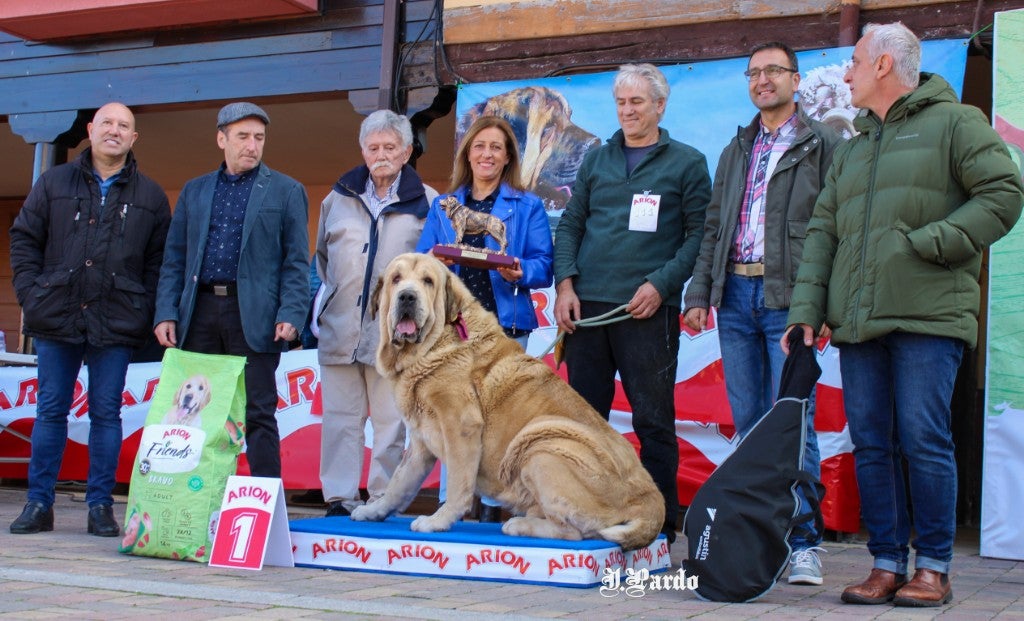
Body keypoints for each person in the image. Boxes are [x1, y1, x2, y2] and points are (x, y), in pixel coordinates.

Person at [783, 23, 1023, 607]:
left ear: (885, 65)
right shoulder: (855, 147)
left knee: (923, 438)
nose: (847, 73)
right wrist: (807, 309)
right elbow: (822, 232)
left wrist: (932, 242)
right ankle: (887, 563)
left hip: (928, 317)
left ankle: (934, 568)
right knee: (871, 442)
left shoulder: (956, 122)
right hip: (860, 321)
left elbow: (1004, 191)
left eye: (856, 62)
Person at [683, 42, 843, 584]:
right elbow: (713, 229)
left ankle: (803, 544)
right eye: (753, 72)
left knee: (794, 423)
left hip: (788, 302)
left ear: (796, 81)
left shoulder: (824, 144)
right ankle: (760, 543)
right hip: (734, 301)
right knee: (750, 425)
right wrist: (699, 293)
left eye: (774, 70)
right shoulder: (737, 147)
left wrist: (818, 303)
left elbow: (837, 230)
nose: (762, 80)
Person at [553, 63, 711, 542]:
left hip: (648, 311)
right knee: (585, 423)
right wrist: (565, 285)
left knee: (653, 420)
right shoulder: (597, 160)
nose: (627, 111)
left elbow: (700, 235)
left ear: (660, 106)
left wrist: (662, 285)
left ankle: (659, 528)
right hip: (588, 311)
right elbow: (571, 225)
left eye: (637, 102)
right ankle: (588, 517)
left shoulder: (687, 162)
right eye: (622, 102)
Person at [9, 102, 171, 536]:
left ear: (134, 138)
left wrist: (144, 306)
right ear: (91, 130)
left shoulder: (151, 196)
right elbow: (24, 239)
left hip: (115, 320)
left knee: (106, 414)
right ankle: (38, 503)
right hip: (56, 315)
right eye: (107, 124)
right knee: (51, 412)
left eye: (124, 126)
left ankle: (100, 507)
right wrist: (30, 293)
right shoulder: (53, 182)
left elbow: (160, 263)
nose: (114, 131)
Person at [154, 102, 309, 479]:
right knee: (195, 414)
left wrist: (291, 313)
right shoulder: (195, 191)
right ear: (221, 138)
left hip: (254, 315)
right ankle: (193, 502)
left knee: (258, 412)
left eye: (259, 137)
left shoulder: (287, 191)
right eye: (243, 137)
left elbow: (296, 261)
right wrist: (166, 312)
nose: (252, 146)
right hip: (200, 312)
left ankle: (266, 508)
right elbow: (174, 258)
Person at [417, 115, 553, 522]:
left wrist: (520, 272)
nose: (487, 154)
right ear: (468, 154)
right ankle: (452, 503)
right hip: (452, 331)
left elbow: (544, 265)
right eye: (479, 146)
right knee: (452, 419)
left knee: (499, 420)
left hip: (505, 327)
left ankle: (496, 508)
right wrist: (433, 261)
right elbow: (422, 257)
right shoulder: (444, 206)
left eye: (496, 147)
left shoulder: (527, 205)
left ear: (508, 155)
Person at [316, 110, 436, 517]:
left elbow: (435, 269)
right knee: (340, 419)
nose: (381, 154)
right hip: (339, 329)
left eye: (390, 147)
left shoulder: (428, 202)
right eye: (373, 147)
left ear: (406, 152)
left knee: (390, 422)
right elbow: (321, 260)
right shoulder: (336, 198)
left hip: (397, 335)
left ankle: (384, 498)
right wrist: (336, 299)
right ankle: (339, 497)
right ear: (362, 150)